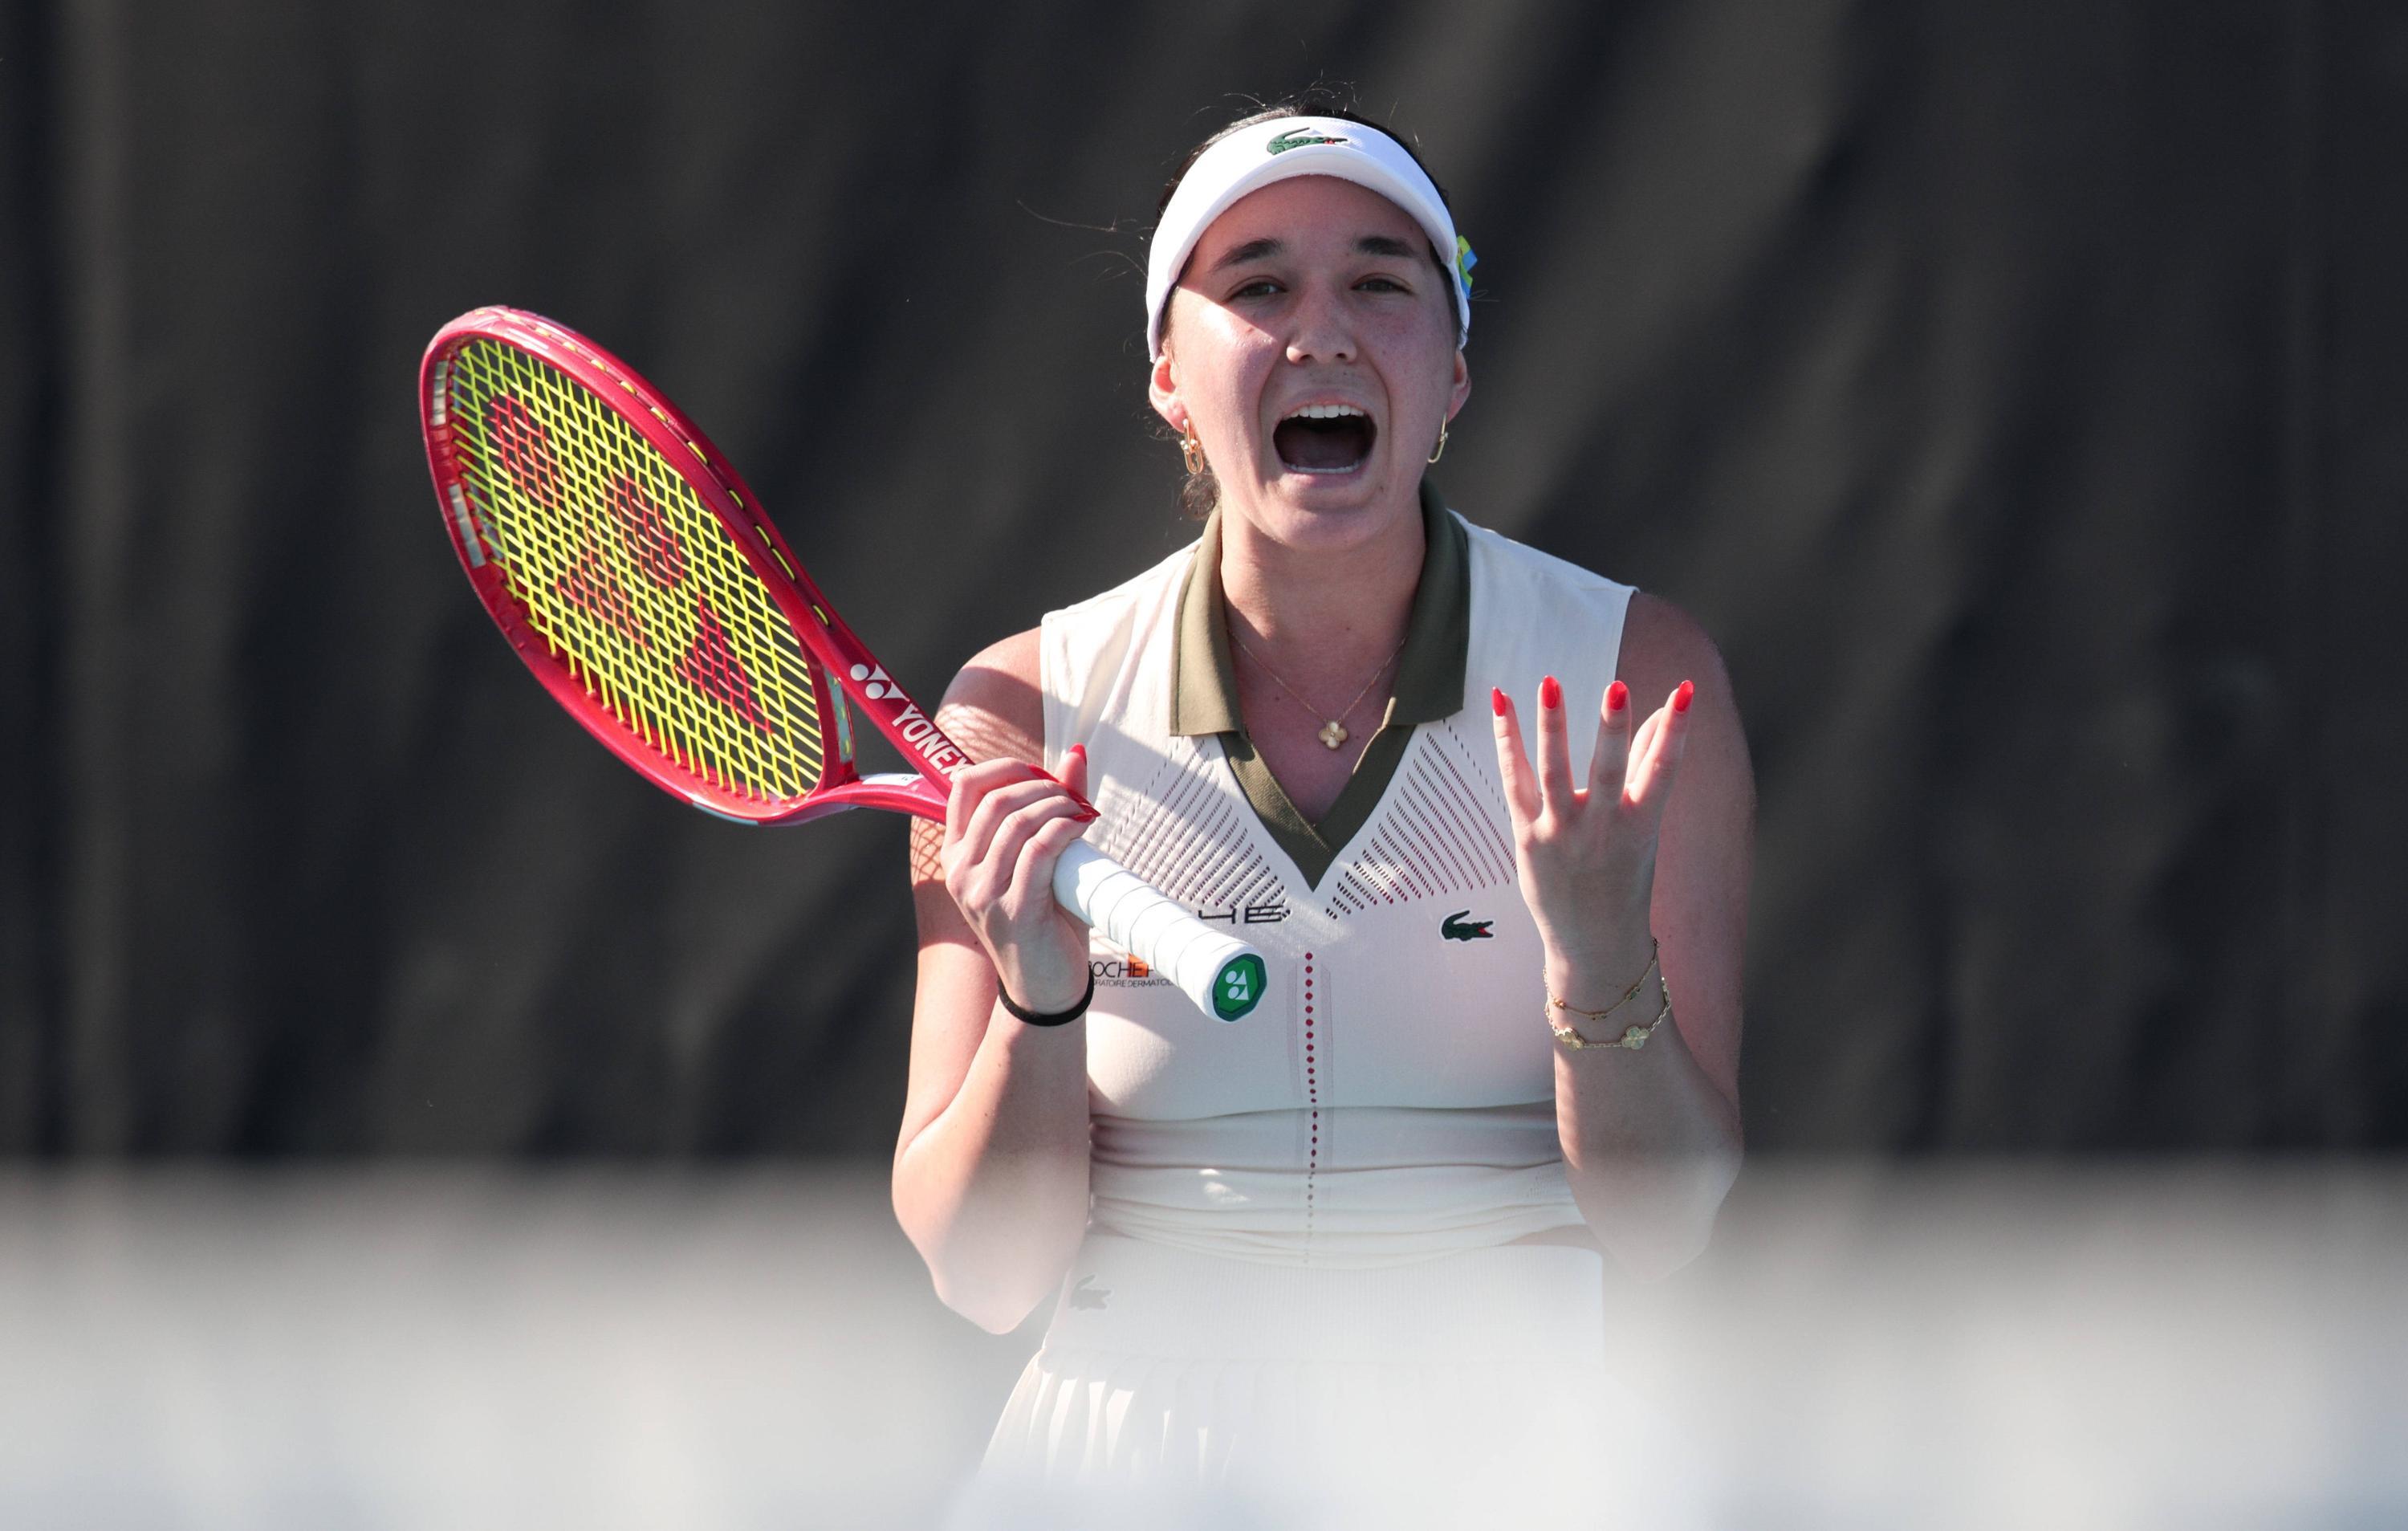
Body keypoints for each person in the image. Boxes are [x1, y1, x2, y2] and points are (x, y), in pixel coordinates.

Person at [893, 94, 1751, 1525]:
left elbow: (1666, 1228)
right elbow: (981, 1278)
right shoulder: (1014, 710)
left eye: (1378, 281)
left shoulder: (1635, 676)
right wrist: (1042, 1001)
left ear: (1454, 372)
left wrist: (1603, 963)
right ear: (1170, 377)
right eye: (1258, 287)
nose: (1324, 332)